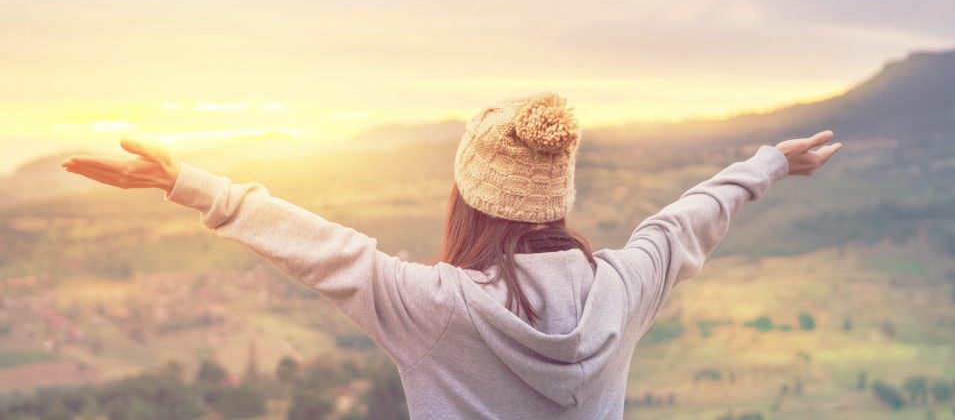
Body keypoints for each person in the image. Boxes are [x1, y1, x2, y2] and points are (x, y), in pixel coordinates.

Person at [61, 91, 842, 419]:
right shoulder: (623, 287)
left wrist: (189, 184)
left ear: (466, 198)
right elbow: (684, 221)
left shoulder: (435, 309)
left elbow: (320, 248)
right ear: (556, 199)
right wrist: (770, 162)